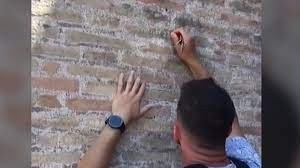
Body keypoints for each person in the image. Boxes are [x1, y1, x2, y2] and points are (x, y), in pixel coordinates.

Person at [77, 28, 261, 168]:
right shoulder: (249, 162)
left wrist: (118, 120)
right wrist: (193, 60)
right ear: (228, 130)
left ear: (176, 133)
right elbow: (220, 105)